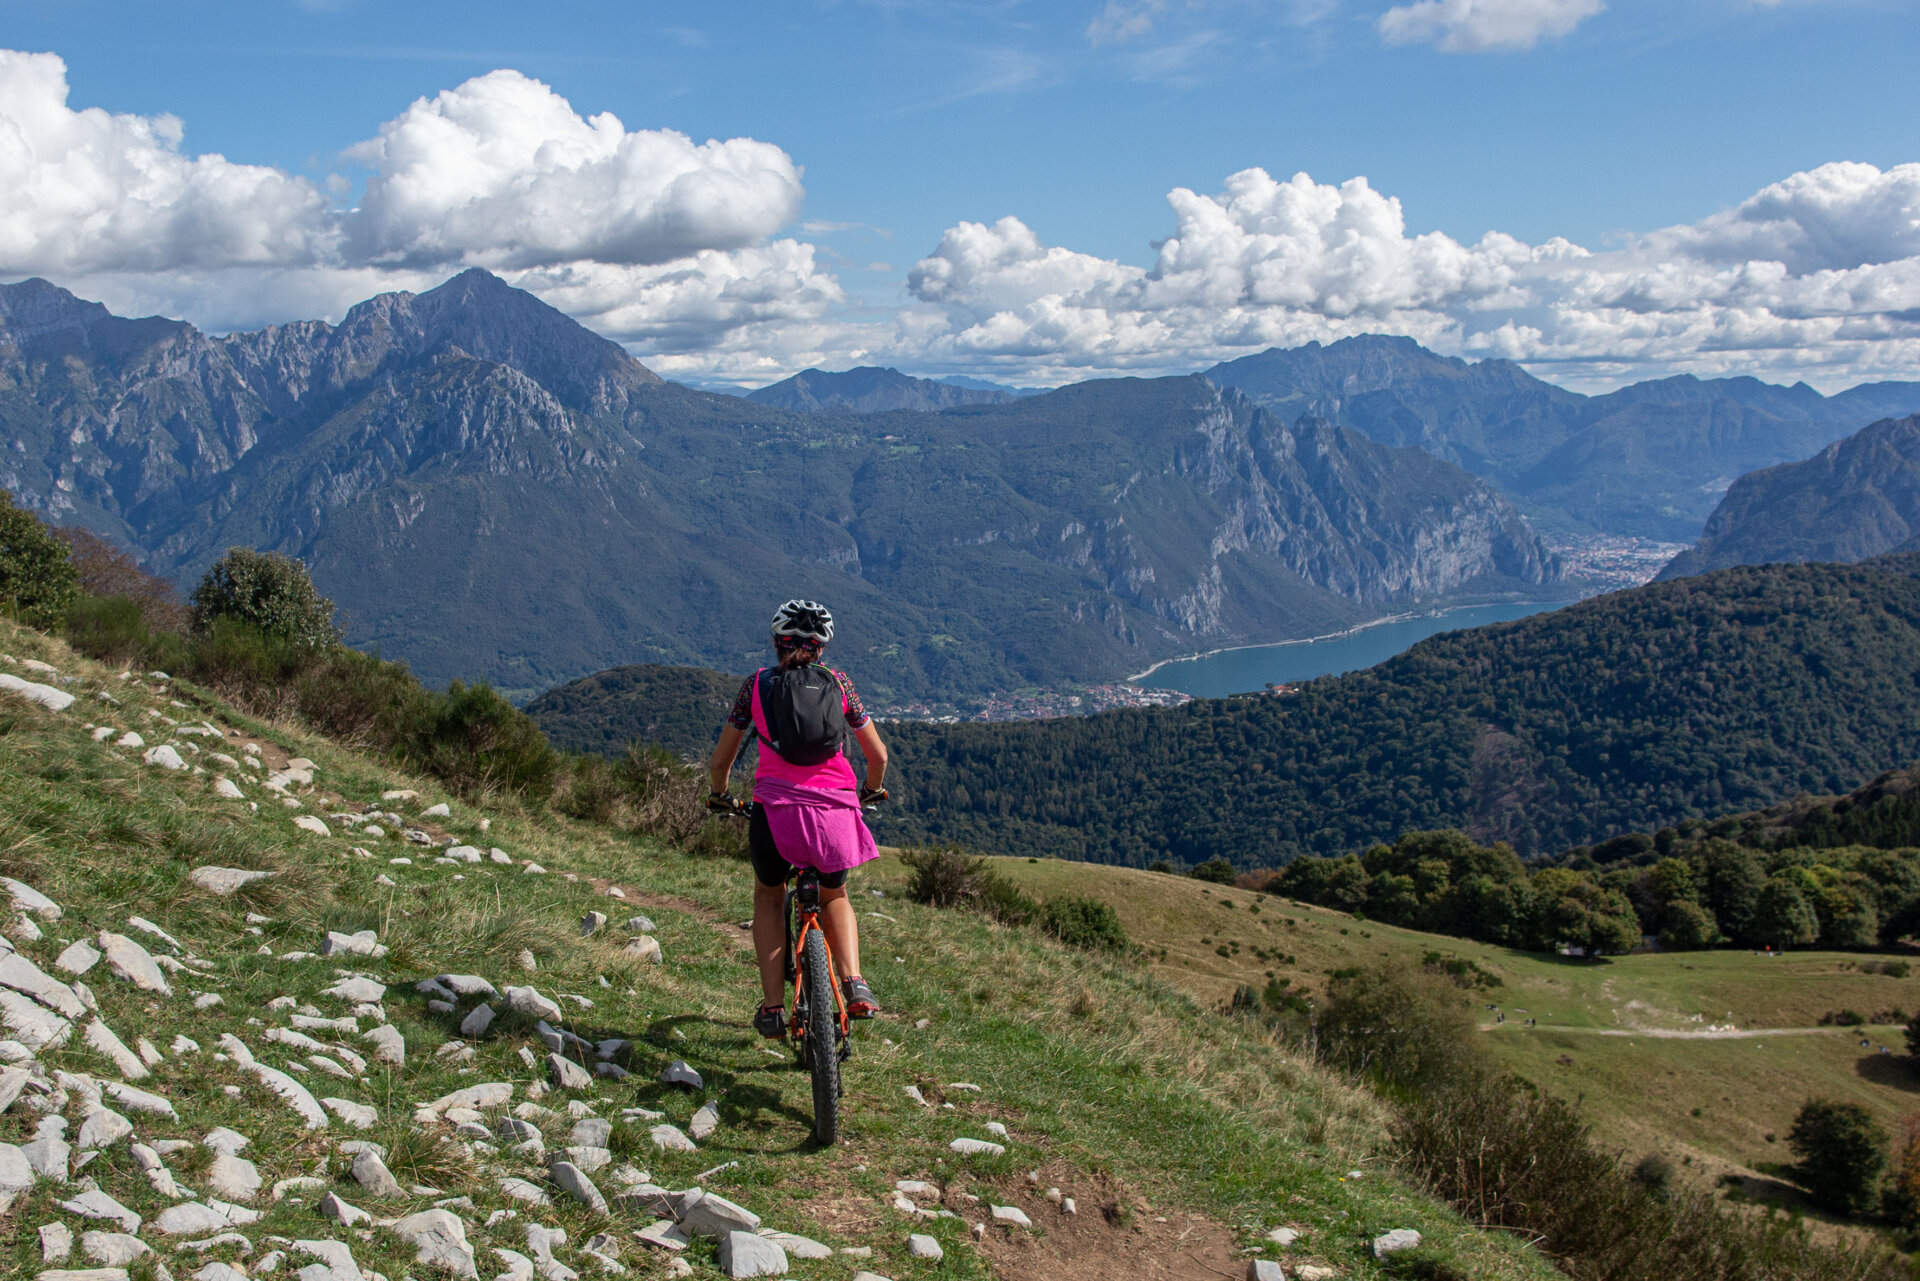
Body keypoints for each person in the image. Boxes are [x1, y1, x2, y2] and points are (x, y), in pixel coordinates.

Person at [707, 599, 889, 1037]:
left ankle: (772, 1008)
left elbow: (720, 761)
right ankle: (855, 983)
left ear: (776, 643)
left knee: (770, 896)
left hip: (775, 816)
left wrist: (720, 796)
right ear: (821, 648)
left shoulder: (756, 686)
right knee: (834, 895)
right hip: (834, 816)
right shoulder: (840, 683)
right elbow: (878, 755)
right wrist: (869, 791)